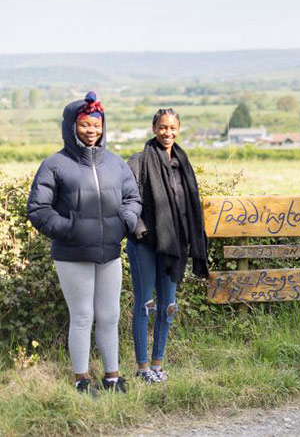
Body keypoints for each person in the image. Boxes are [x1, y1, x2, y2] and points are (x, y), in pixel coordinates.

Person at [27, 92, 142, 394]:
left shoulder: (116, 164)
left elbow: (132, 198)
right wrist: (70, 228)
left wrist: (124, 221)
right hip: (72, 254)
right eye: (84, 125)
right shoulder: (55, 165)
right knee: (82, 316)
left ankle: (113, 377)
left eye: (97, 125)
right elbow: (39, 210)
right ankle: (81, 380)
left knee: (110, 315)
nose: (92, 131)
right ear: (71, 127)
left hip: (110, 254)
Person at [126, 108, 209, 383]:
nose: (168, 133)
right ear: (153, 129)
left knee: (168, 306)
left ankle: (158, 365)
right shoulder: (138, 162)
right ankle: (142, 368)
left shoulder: (182, 163)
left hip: (174, 245)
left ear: (178, 129)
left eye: (173, 128)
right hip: (145, 243)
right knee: (145, 304)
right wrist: (140, 230)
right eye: (162, 127)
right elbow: (126, 202)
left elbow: (188, 206)